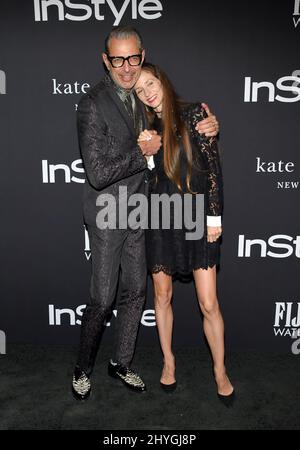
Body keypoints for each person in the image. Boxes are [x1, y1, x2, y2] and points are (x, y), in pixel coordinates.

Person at [72, 26, 219, 401]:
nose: (126, 67)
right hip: (108, 211)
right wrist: (143, 152)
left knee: (136, 292)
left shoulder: (143, 92)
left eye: (133, 58)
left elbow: (173, 116)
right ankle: (82, 368)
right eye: (117, 60)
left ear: (142, 55)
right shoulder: (91, 103)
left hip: (143, 210)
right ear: (106, 61)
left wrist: (207, 123)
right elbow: (99, 172)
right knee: (104, 299)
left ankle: (121, 363)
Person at [135, 63, 234, 405]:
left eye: (150, 82)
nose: (147, 91)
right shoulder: (144, 130)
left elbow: (213, 171)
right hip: (160, 219)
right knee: (161, 297)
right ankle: (168, 360)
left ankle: (220, 370)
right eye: (139, 89)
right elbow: (149, 182)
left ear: (162, 80)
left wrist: (214, 217)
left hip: (196, 217)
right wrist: (147, 155)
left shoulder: (195, 114)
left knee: (209, 303)